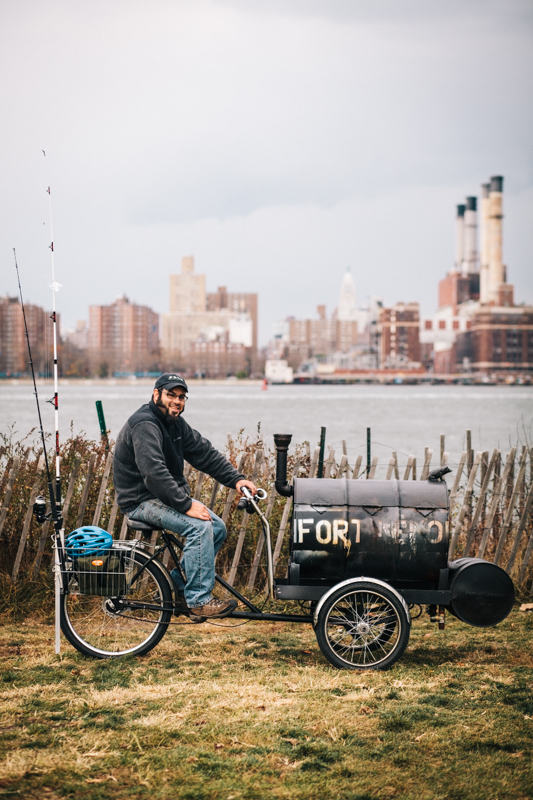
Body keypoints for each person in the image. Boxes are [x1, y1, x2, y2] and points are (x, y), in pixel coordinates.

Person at [113, 373, 257, 621]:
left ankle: (178, 589)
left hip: (160, 497)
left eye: (181, 397)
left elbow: (204, 453)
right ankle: (199, 601)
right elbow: (153, 473)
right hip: (140, 500)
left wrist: (236, 479)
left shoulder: (175, 424)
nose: (177, 401)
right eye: (171, 395)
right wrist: (186, 504)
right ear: (156, 394)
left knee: (218, 527)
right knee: (200, 527)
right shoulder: (145, 424)